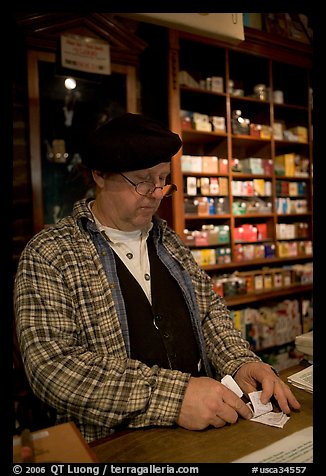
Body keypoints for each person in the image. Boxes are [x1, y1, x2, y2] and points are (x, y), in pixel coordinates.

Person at [14, 113, 301, 443]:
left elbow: (210, 316)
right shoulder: (51, 252)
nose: (155, 193)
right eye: (142, 180)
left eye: (163, 179)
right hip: (114, 446)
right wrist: (175, 398)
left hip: (206, 435)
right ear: (100, 175)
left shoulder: (169, 240)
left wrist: (240, 363)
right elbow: (52, 368)